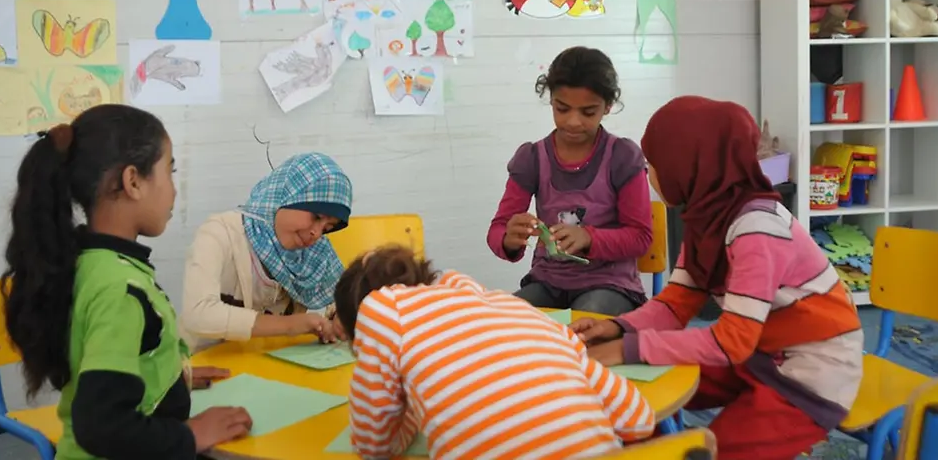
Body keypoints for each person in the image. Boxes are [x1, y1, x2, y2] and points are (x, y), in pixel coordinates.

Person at [571, 96, 864, 460]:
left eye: (654, 164)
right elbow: (674, 305)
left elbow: (732, 341)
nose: (649, 173)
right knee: (630, 393)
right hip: (757, 355)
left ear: (688, 166)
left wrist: (628, 347)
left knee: (715, 452)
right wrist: (619, 328)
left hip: (809, 377)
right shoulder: (707, 217)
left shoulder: (757, 229)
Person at [1, 104, 252, 460]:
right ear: (133, 181)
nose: (174, 191)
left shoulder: (90, 261)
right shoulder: (119, 287)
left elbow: (106, 354)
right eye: (169, 171)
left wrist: (168, 374)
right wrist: (190, 435)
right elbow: (100, 425)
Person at [334, 245, 655, 460]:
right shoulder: (522, 311)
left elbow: (373, 445)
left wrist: (411, 413)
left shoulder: (383, 313)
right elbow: (638, 420)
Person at [487, 47, 653, 316]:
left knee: (583, 322)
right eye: (562, 109)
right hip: (547, 282)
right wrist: (509, 238)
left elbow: (640, 237)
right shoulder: (532, 158)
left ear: (608, 106)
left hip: (610, 284)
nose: (573, 122)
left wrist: (588, 237)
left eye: (588, 112)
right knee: (504, 319)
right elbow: (498, 229)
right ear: (551, 100)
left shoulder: (622, 156)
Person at [180, 152, 352, 350]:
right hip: (203, 362)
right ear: (287, 198)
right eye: (316, 217)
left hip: (268, 364)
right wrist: (290, 325)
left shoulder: (314, 254)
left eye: (327, 228)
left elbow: (344, 295)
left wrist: (340, 317)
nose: (316, 233)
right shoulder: (219, 234)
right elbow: (198, 314)